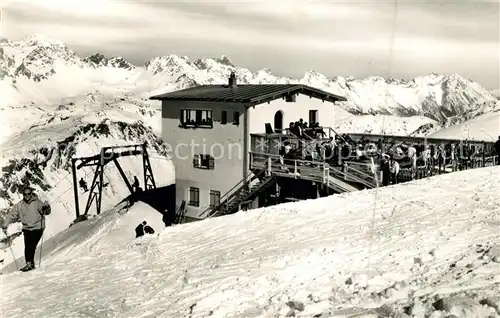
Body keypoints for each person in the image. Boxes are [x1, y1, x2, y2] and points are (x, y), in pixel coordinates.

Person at [1, 186, 51, 272]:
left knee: (31, 246)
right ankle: (29, 263)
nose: (27, 196)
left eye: (28, 194)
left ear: (31, 194)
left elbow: (45, 212)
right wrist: (5, 225)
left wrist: (47, 207)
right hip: (27, 229)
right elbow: (11, 215)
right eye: (25, 194)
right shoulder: (19, 205)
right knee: (28, 246)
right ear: (23, 195)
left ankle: (30, 264)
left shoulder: (37, 203)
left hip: (38, 227)